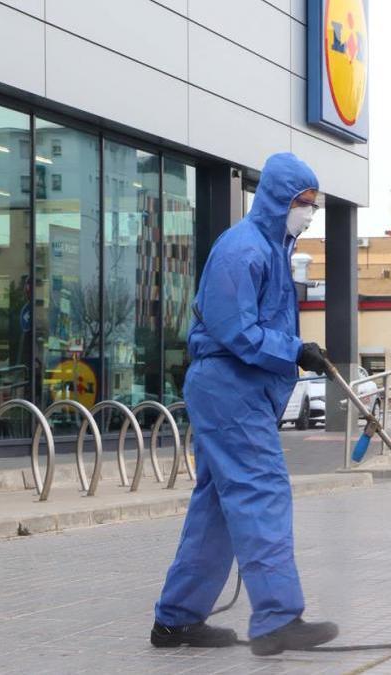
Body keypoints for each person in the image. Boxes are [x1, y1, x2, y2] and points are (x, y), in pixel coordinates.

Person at [151, 153, 337, 656]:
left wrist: (295, 351)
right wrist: (294, 350)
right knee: (261, 490)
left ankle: (176, 620)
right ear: (279, 198)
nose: (309, 213)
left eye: (314, 206)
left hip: (240, 389)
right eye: (304, 203)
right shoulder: (243, 249)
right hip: (229, 388)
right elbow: (237, 331)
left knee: (217, 507)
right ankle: (278, 618)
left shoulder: (274, 248)